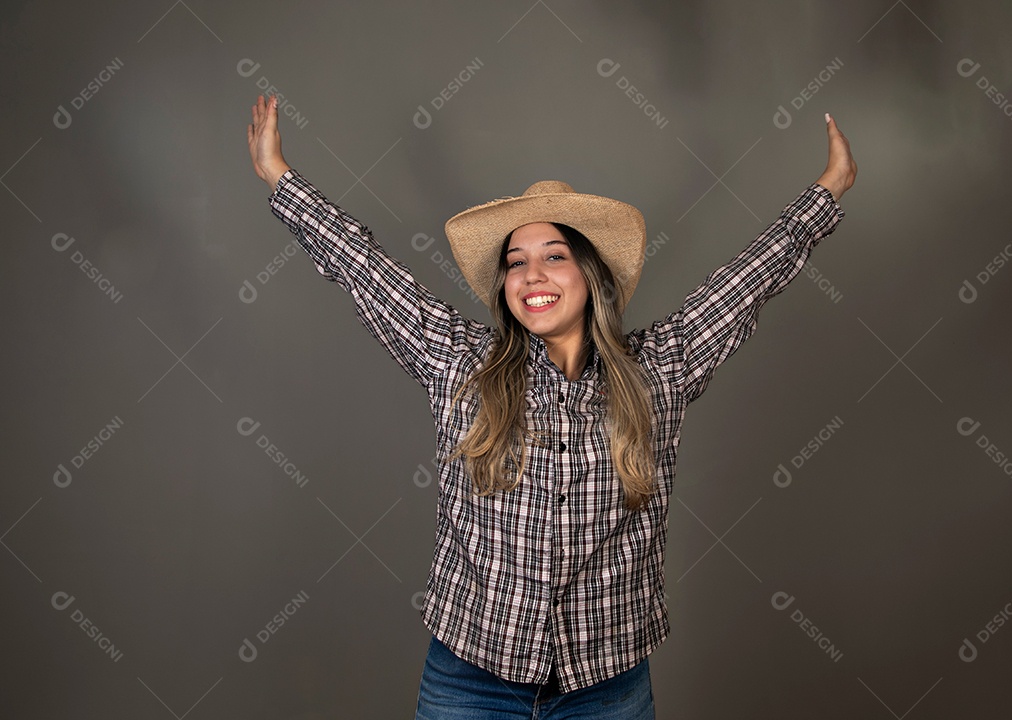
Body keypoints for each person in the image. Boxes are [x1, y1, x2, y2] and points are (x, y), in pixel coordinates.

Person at [247, 93, 856, 719]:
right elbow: (365, 270)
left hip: (608, 687)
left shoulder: (659, 371)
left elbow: (749, 280)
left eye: (553, 257)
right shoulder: (461, 363)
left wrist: (830, 189)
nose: (531, 275)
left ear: (590, 274)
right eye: (515, 263)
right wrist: (279, 177)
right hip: (470, 680)